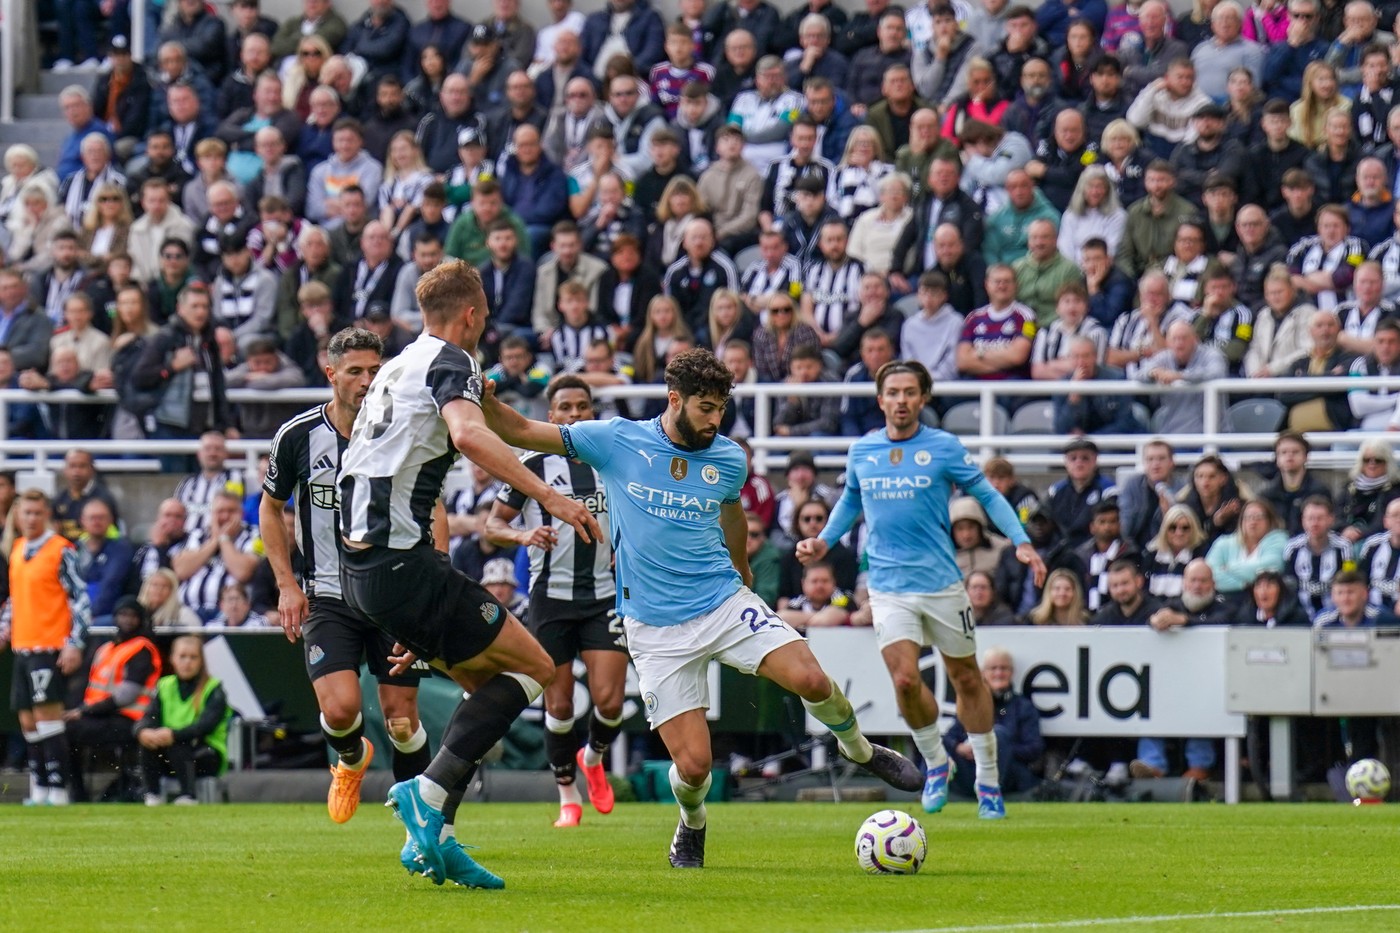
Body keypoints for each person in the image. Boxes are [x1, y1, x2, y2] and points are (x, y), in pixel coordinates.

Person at [484, 345, 921, 868]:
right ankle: (691, 823)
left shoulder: (728, 458)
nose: (716, 420)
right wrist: (482, 401)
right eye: (705, 408)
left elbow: (733, 514)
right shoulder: (618, 440)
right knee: (694, 769)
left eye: (721, 409)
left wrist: (742, 570)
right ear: (675, 399)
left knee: (810, 679)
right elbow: (520, 430)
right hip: (653, 628)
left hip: (721, 601)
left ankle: (860, 749)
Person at [335, 261, 599, 888]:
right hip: (400, 563)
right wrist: (551, 496)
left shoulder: (402, 364)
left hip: (366, 568)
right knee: (536, 668)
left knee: (485, 685)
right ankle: (425, 795)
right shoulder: (453, 361)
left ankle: (441, 837)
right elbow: (472, 436)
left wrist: (597, 441)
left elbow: (509, 425)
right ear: (472, 314)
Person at [798, 359, 1047, 818]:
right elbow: (851, 501)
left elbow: (988, 495)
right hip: (888, 587)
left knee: (966, 678)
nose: (901, 400)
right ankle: (936, 762)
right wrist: (823, 541)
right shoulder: (863, 451)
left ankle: (988, 779)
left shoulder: (943, 447)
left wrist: (1022, 542)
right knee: (906, 680)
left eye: (910, 392)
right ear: (881, 400)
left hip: (942, 585)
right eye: (893, 392)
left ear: (923, 398)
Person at [261, 326, 432, 821]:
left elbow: (433, 508)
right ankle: (353, 758)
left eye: (375, 371)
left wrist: (431, 582)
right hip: (328, 595)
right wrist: (287, 585)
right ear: (330, 373)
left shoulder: (403, 430)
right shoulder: (298, 436)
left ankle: (423, 824)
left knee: (402, 721)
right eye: (355, 371)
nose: (365, 380)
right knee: (339, 712)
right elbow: (270, 508)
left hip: (394, 595)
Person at [483, 376, 624, 829]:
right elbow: (492, 526)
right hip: (551, 600)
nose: (576, 414)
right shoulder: (531, 465)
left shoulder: (612, 463)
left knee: (609, 701)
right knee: (559, 705)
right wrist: (524, 533)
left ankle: (594, 758)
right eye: (566, 407)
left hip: (604, 595)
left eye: (583, 406)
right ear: (551, 416)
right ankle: (567, 793)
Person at [4, 489, 91, 806]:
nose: (30, 518)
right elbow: (16, 598)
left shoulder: (61, 550)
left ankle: (58, 788)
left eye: (37, 513)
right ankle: (39, 785)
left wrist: (74, 643)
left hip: (49, 643)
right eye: (25, 512)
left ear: (47, 515)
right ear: (17, 515)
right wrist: (4, 630)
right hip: (23, 645)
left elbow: (80, 599)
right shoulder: (17, 549)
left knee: (48, 716)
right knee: (27, 719)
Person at [63, 596, 161, 802]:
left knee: (68, 732)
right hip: (101, 714)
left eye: (132, 616)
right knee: (62, 730)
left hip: (131, 718)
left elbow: (127, 695)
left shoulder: (142, 648)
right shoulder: (106, 648)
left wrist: (83, 711)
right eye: (123, 614)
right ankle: (75, 790)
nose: (127, 620)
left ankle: (78, 793)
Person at [135, 634, 232, 806]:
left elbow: (205, 726)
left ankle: (189, 795)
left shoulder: (214, 688)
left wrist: (173, 734)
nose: (187, 662)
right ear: (172, 658)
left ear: (201, 661)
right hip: (171, 750)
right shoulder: (164, 685)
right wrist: (143, 731)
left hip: (207, 753)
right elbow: (149, 717)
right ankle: (152, 795)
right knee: (149, 743)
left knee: (177, 744)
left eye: (193, 657)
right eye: (182, 656)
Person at [940, 646, 1043, 797]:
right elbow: (949, 737)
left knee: (997, 735)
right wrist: (960, 747)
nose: (998, 673)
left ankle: (989, 794)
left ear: (1011, 672)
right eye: (993, 668)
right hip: (970, 769)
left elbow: (1034, 748)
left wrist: (993, 748)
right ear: (983, 673)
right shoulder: (971, 705)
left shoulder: (1023, 707)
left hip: (1007, 775)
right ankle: (925, 792)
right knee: (936, 745)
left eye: (1004, 668)